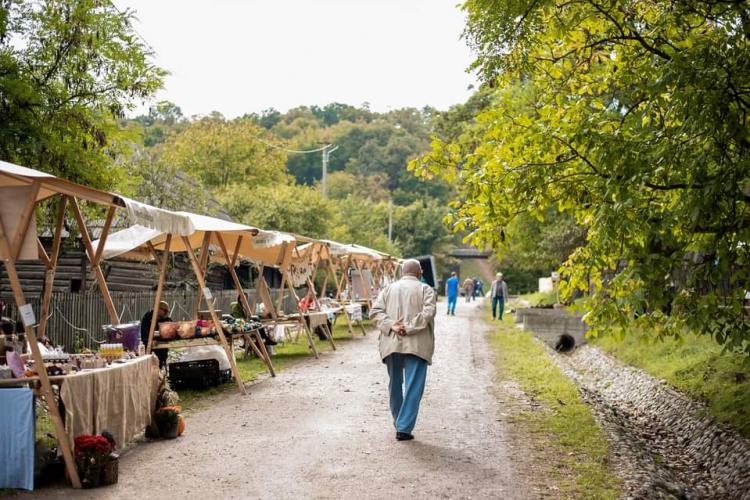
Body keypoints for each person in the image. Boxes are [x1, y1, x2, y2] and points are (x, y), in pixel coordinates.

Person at [370, 259, 436, 441]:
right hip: (417, 345)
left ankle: (399, 421)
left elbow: (375, 312)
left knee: (395, 384)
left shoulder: (388, 289)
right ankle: (403, 427)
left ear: (402, 272)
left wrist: (393, 325)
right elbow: (428, 313)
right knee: (414, 386)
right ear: (420, 272)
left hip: (391, 343)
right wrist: (407, 327)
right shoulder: (426, 290)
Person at [140, 301, 171, 368]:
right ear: (158, 308)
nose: (166, 313)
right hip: (149, 347)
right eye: (164, 310)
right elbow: (146, 333)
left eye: (167, 311)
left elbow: (170, 326)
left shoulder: (166, 319)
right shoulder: (148, 317)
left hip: (161, 348)